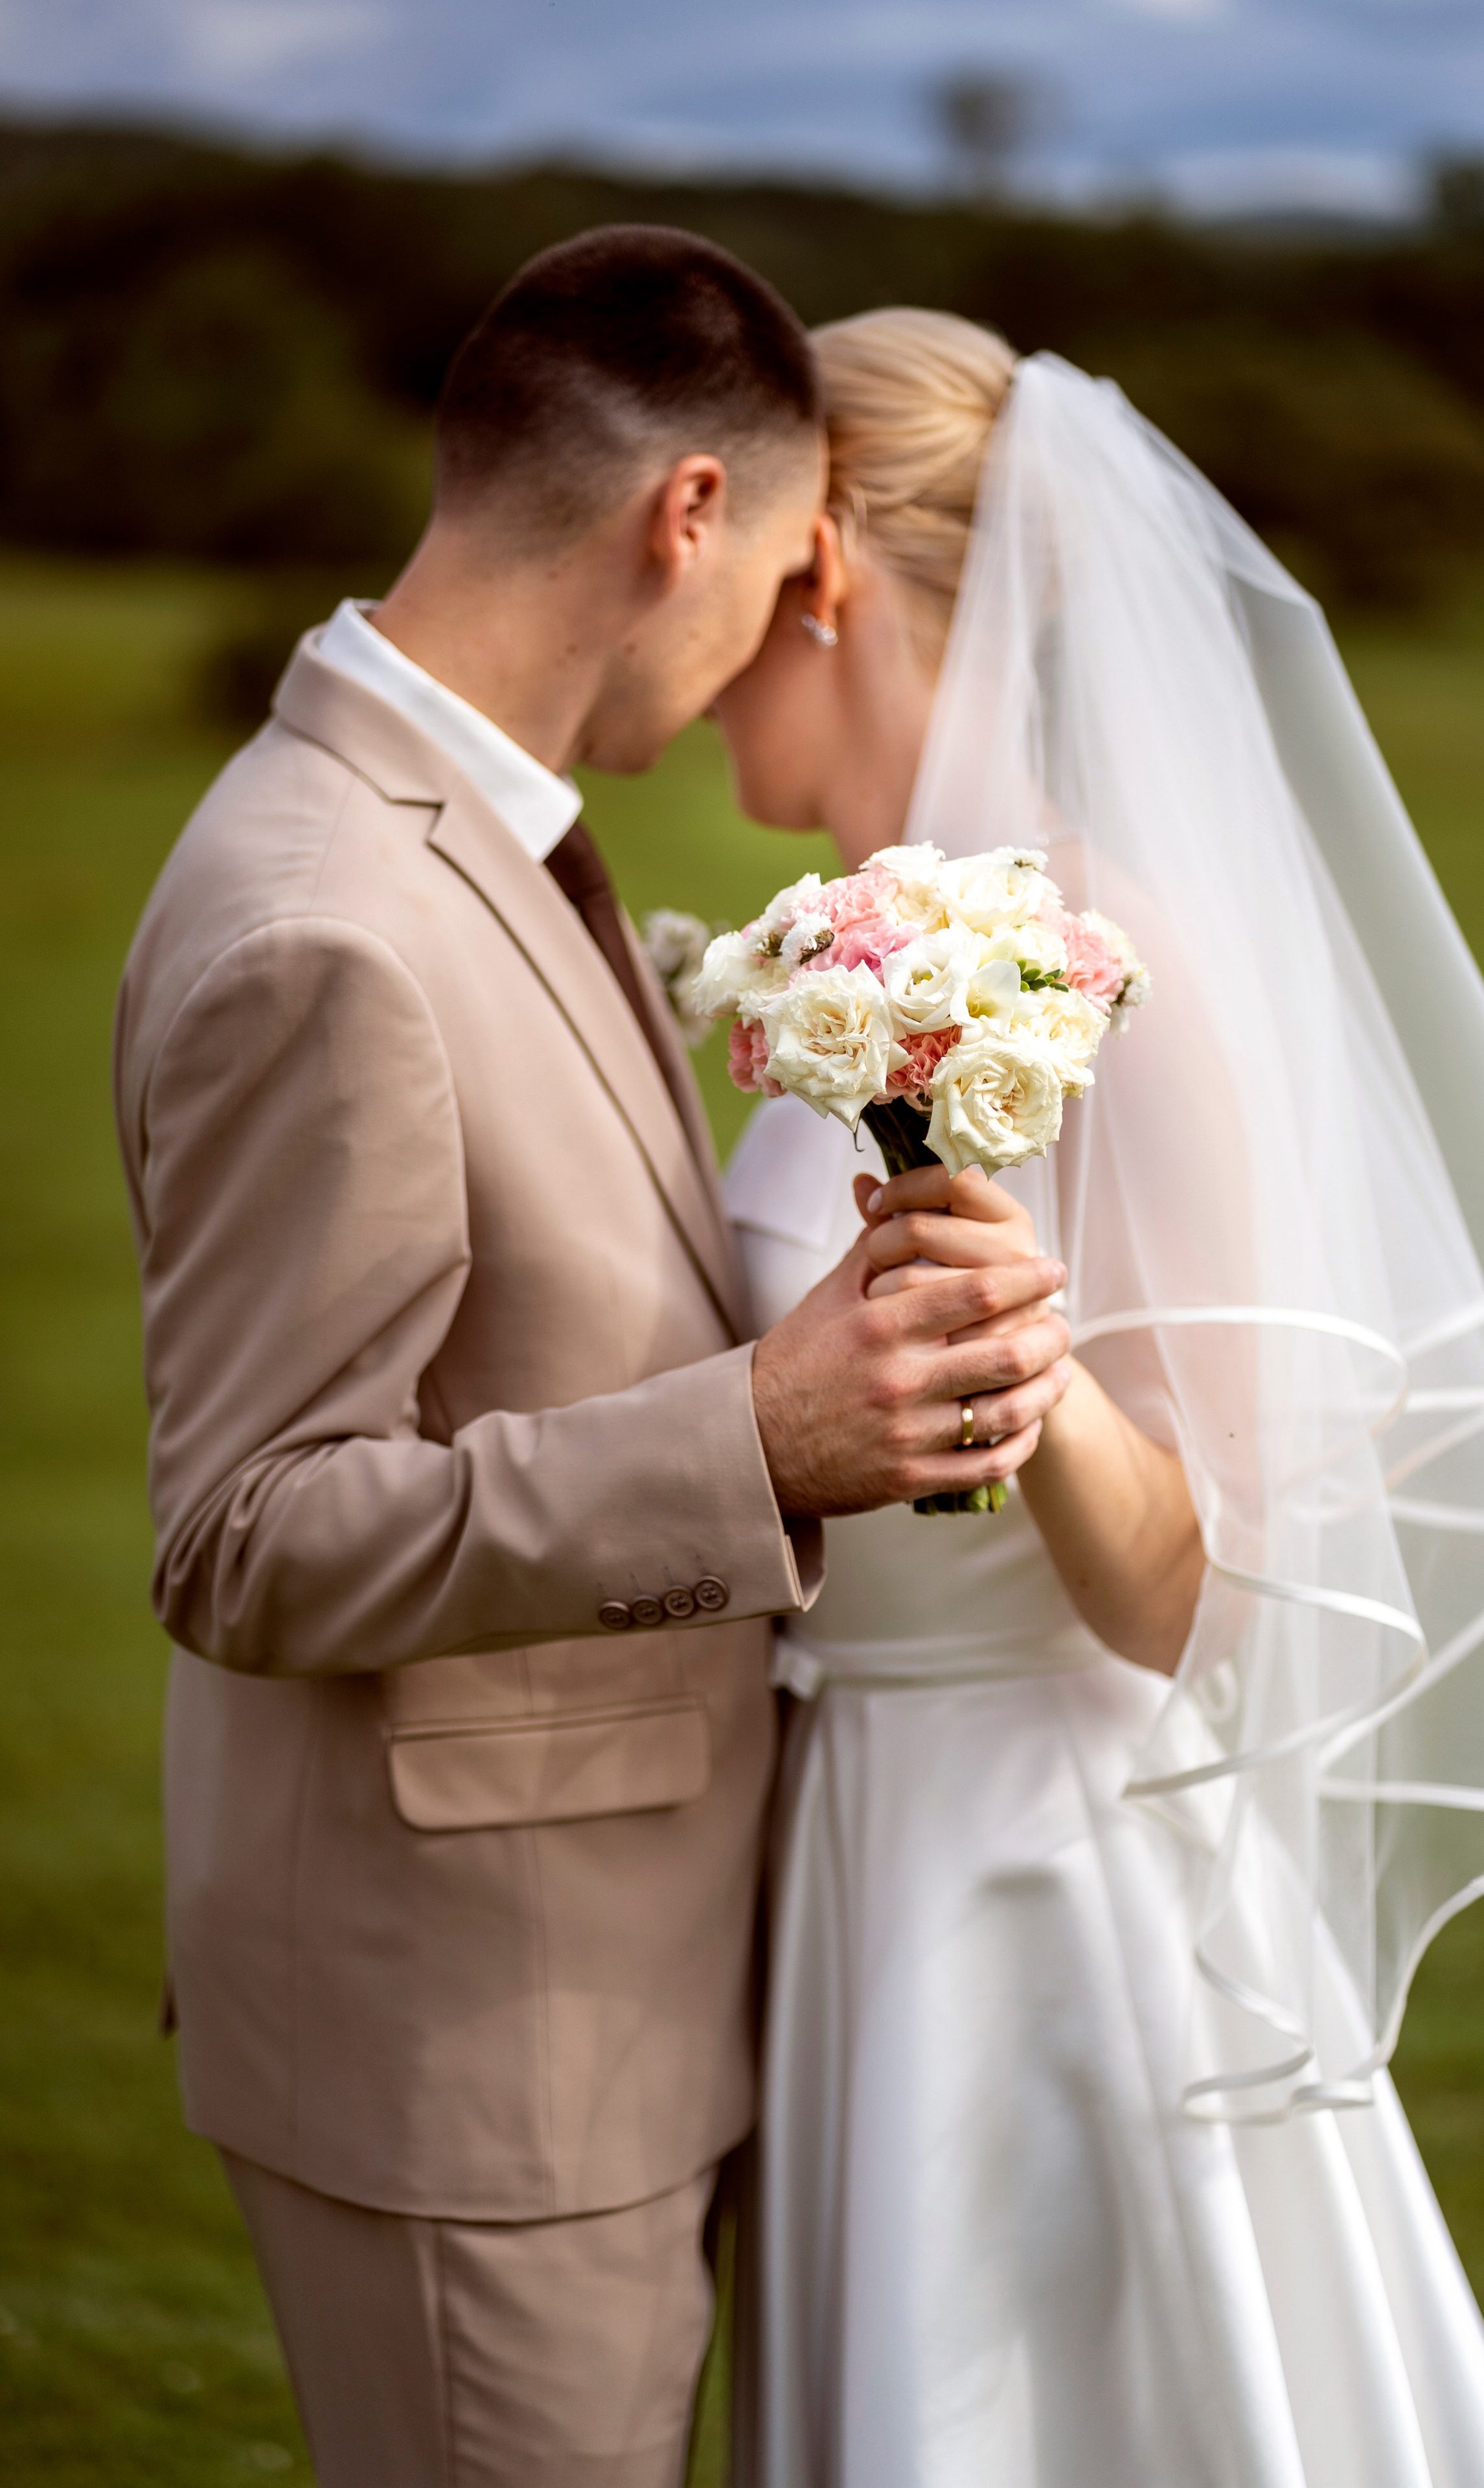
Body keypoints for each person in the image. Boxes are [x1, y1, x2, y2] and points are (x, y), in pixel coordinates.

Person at [112, 240, 1072, 2488]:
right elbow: (243, 1535)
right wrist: (761, 1433)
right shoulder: (327, 914)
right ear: (687, 519)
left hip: (617, 1995)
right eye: (790, 564)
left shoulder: (484, 835)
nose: (785, 632)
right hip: (481, 2047)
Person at [713, 309, 1484, 2485]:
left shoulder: (1120, 952)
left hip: (1051, 1873)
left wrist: (1015, 1367)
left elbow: (1200, 1592)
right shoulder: (826, 955)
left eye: (734, 557)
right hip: (839, 1834)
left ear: (823, 562)